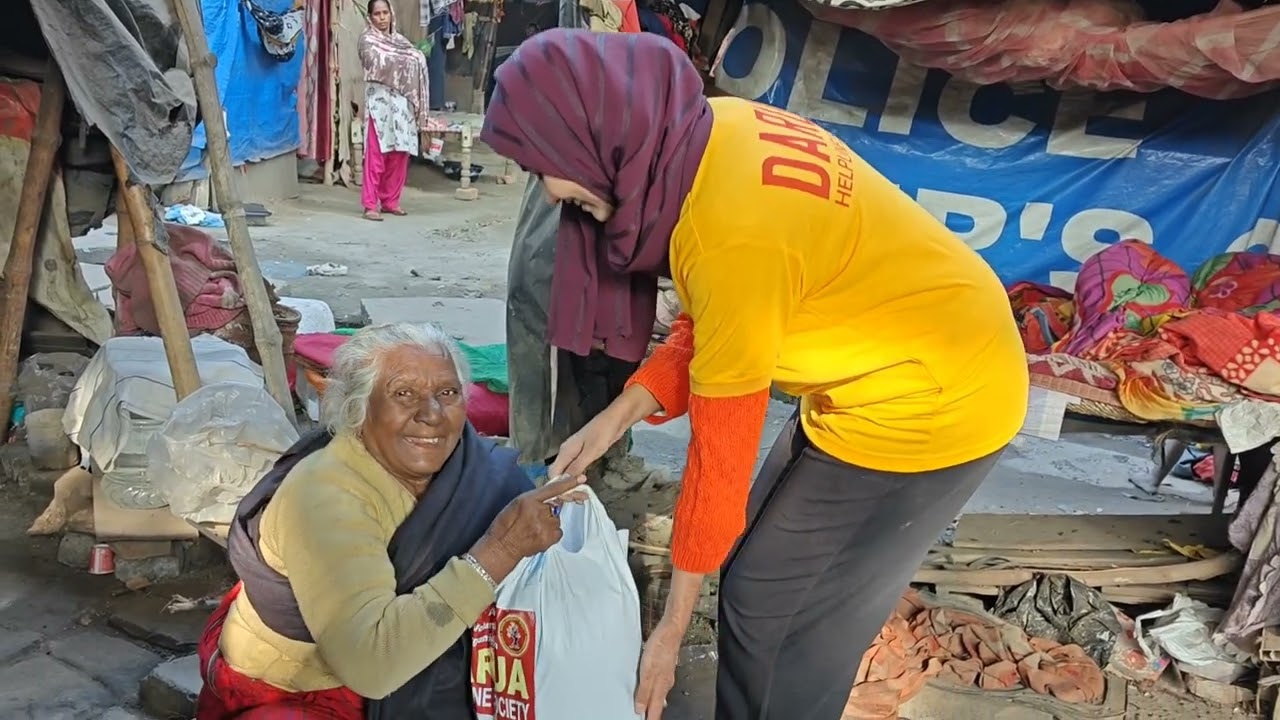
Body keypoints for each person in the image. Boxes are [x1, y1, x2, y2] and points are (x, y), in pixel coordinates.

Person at [480, 29, 1030, 720]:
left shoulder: (729, 234)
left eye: (547, 169)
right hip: (894, 364)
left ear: (601, 139)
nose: (550, 193)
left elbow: (720, 458)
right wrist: (615, 417)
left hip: (936, 401)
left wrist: (669, 634)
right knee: (757, 585)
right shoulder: (710, 134)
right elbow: (713, 319)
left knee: (777, 607)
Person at [197, 323, 583, 719]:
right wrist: (500, 551)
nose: (432, 415)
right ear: (357, 408)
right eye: (404, 394)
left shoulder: (475, 469)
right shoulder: (327, 496)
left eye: (447, 393)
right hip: (302, 690)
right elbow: (372, 665)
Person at [359, 0, 430, 222]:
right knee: (376, 155)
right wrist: (409, 58)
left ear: (391, 14)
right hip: (379, 104)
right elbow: (377, 62)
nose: (382, 18)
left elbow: (415, 60)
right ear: (370, 17)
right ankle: (370, 204)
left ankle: (390, 201)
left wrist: (413, 56)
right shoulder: (367, 40)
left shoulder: (401, 42)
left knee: (400, 154)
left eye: (385, 13)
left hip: (401, 106)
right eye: (377, 14)